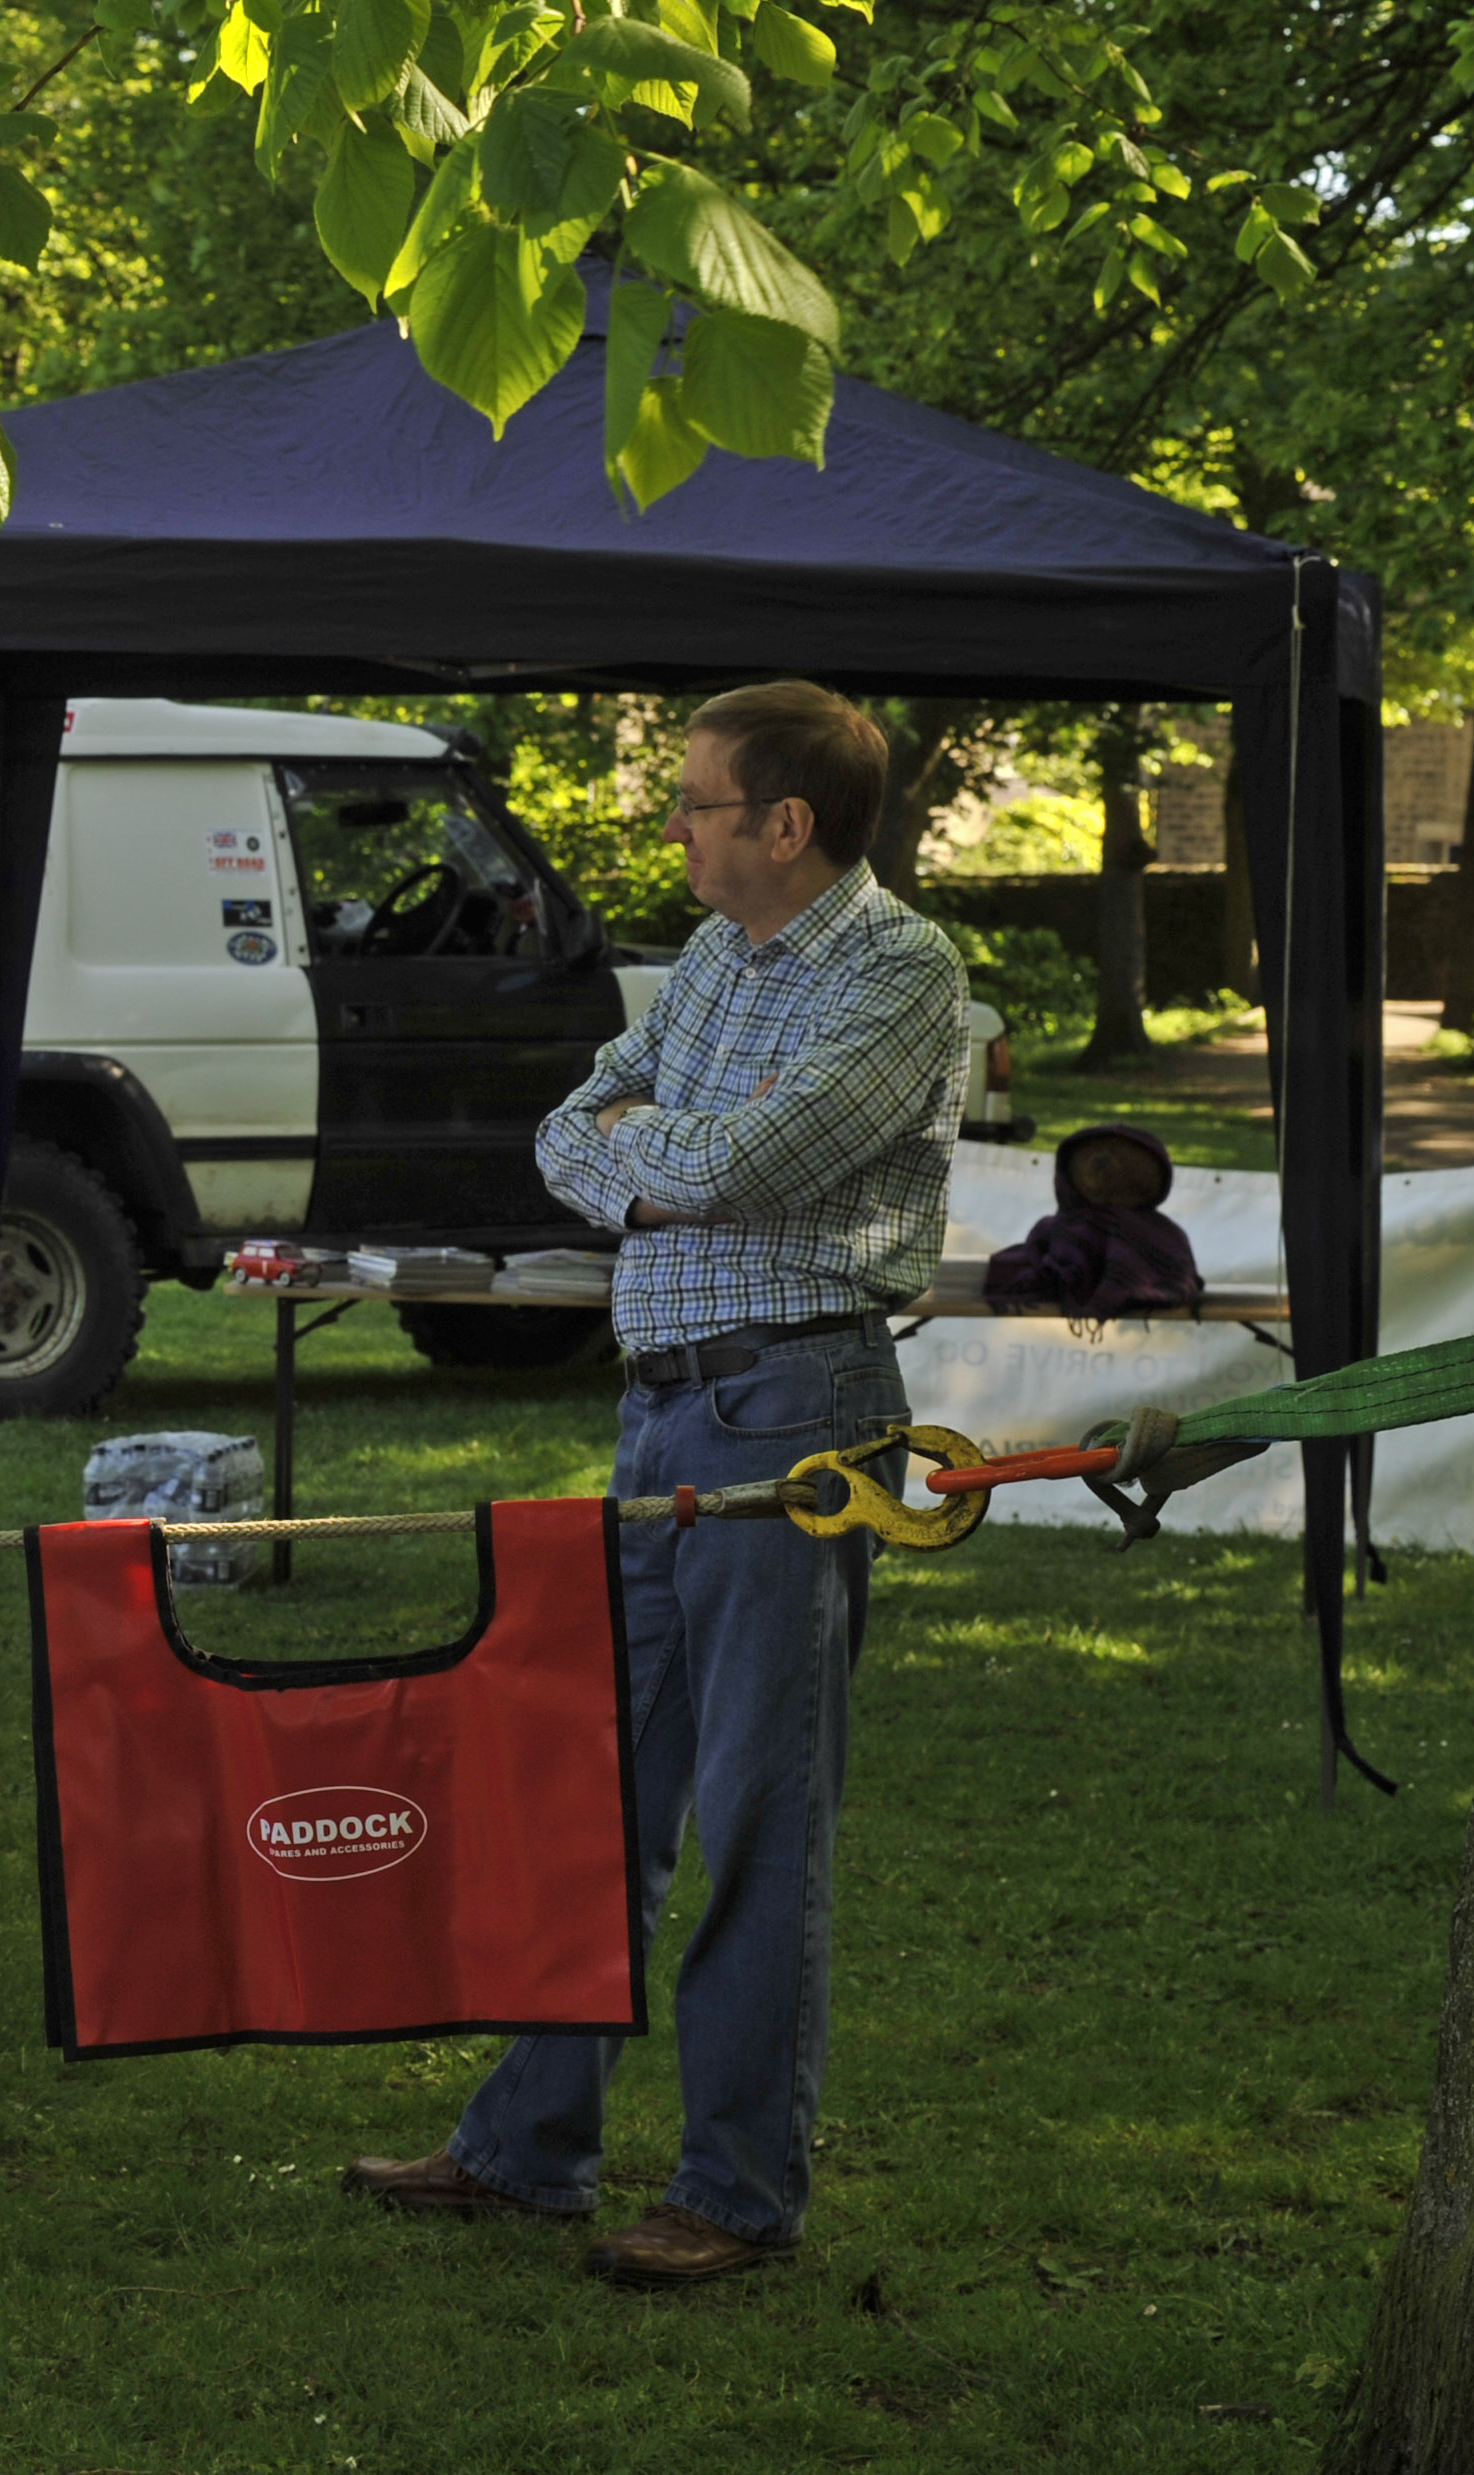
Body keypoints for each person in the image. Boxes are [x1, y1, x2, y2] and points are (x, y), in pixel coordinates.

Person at [341, 680, 968, 2288]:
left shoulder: (896, 971)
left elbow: (743, 1164)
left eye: (696, 801)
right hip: (664, 1411)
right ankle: (525, 2147)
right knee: (597, 1787)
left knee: (759, 1812)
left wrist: (655, 1139)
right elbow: (567, 1133)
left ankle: (735, 2191)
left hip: (793, 1413)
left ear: (785, 823)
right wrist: (662, 1141)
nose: (673, 826)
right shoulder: (707, 958)